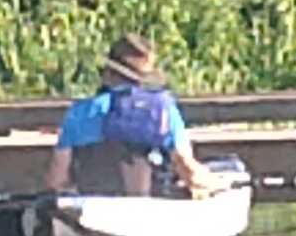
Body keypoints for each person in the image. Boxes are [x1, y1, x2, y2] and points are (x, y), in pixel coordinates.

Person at [44, 35, 221, 196]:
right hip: (152, 210)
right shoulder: (164, 111)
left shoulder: (79, 113)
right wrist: (217, 183)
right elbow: (191, 174)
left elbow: (57, 180)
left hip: (94, 209)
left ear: (108, 74)